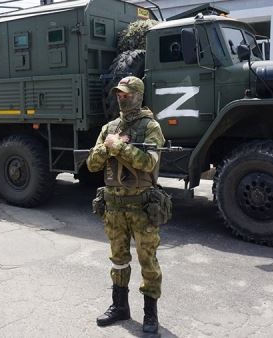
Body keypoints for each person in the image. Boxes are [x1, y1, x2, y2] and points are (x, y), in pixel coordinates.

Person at [86, 76, 165, 333]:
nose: (122, 98)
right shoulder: (109, 127)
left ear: (138, 95)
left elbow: (149, 163)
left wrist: (120, 147)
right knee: (118, 259)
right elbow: (92, 164)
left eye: (126, 94)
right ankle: (119, 306)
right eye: (119, 94)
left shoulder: (150, 126)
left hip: (141, 206)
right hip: (114, 207)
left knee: (147, 261)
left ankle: (150, 314)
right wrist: (108, 148)